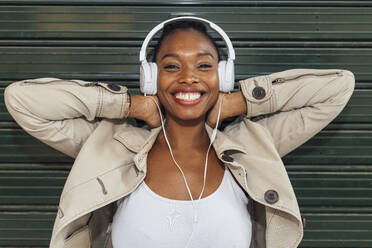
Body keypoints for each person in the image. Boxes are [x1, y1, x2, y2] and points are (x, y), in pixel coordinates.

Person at [4, 17, 354, 248]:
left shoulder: (255, 143)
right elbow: (23, 101)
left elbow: (338, 87)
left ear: (225, 76)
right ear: (151, 79)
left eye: (205, 65)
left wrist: (243, 101)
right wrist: (127, 106)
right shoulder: (111, 145)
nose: (189, 77)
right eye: (172, 66)